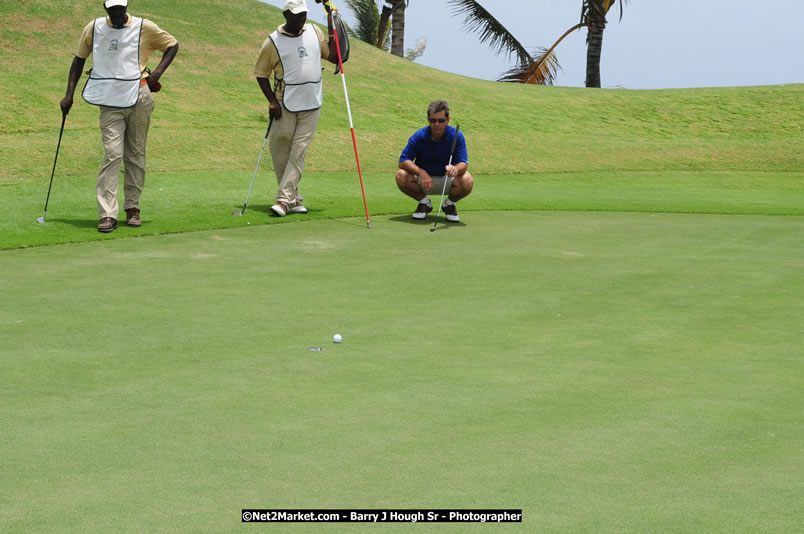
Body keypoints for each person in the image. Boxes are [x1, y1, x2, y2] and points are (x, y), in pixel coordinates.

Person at [60, 0, 179, 233]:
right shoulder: (93, 28)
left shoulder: (145, 26)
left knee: (135, 152)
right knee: (113, 154)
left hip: (139, 94)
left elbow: (172, 45)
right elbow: (79, 59)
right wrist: (69, 95)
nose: (116, 14)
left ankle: (132, 208)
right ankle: (107, 214)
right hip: (109, 99)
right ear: (105, 7)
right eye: (112, 10)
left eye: (120, 10)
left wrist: (156, 74)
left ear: (126, 7)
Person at [254, 0, 338, 217]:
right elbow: (261, 74)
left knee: (298, 150)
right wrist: (272, 101)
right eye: (297, 15)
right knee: (279, 147)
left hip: (311, 101)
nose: (302, 19)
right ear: (286, 15)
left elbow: (334, 57)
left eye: (304, 14)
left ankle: (283, 201)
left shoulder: (313, 31)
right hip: (285, 102)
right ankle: (295, 197)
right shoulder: (272, 42)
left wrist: (331, 22)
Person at [396, 100, 473, 222]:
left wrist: (455, 169)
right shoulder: (419, 136)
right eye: (433, 120)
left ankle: (449, 205)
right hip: (423, 181)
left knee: (467, 179)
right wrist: (421, 172)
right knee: (401, 175)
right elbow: (403, 161)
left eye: (441, 120)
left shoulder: (457, 136)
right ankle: (424, 203)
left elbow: (464, 163)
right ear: (428, 119)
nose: (437, 124)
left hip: (447, 180)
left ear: (448, 120)